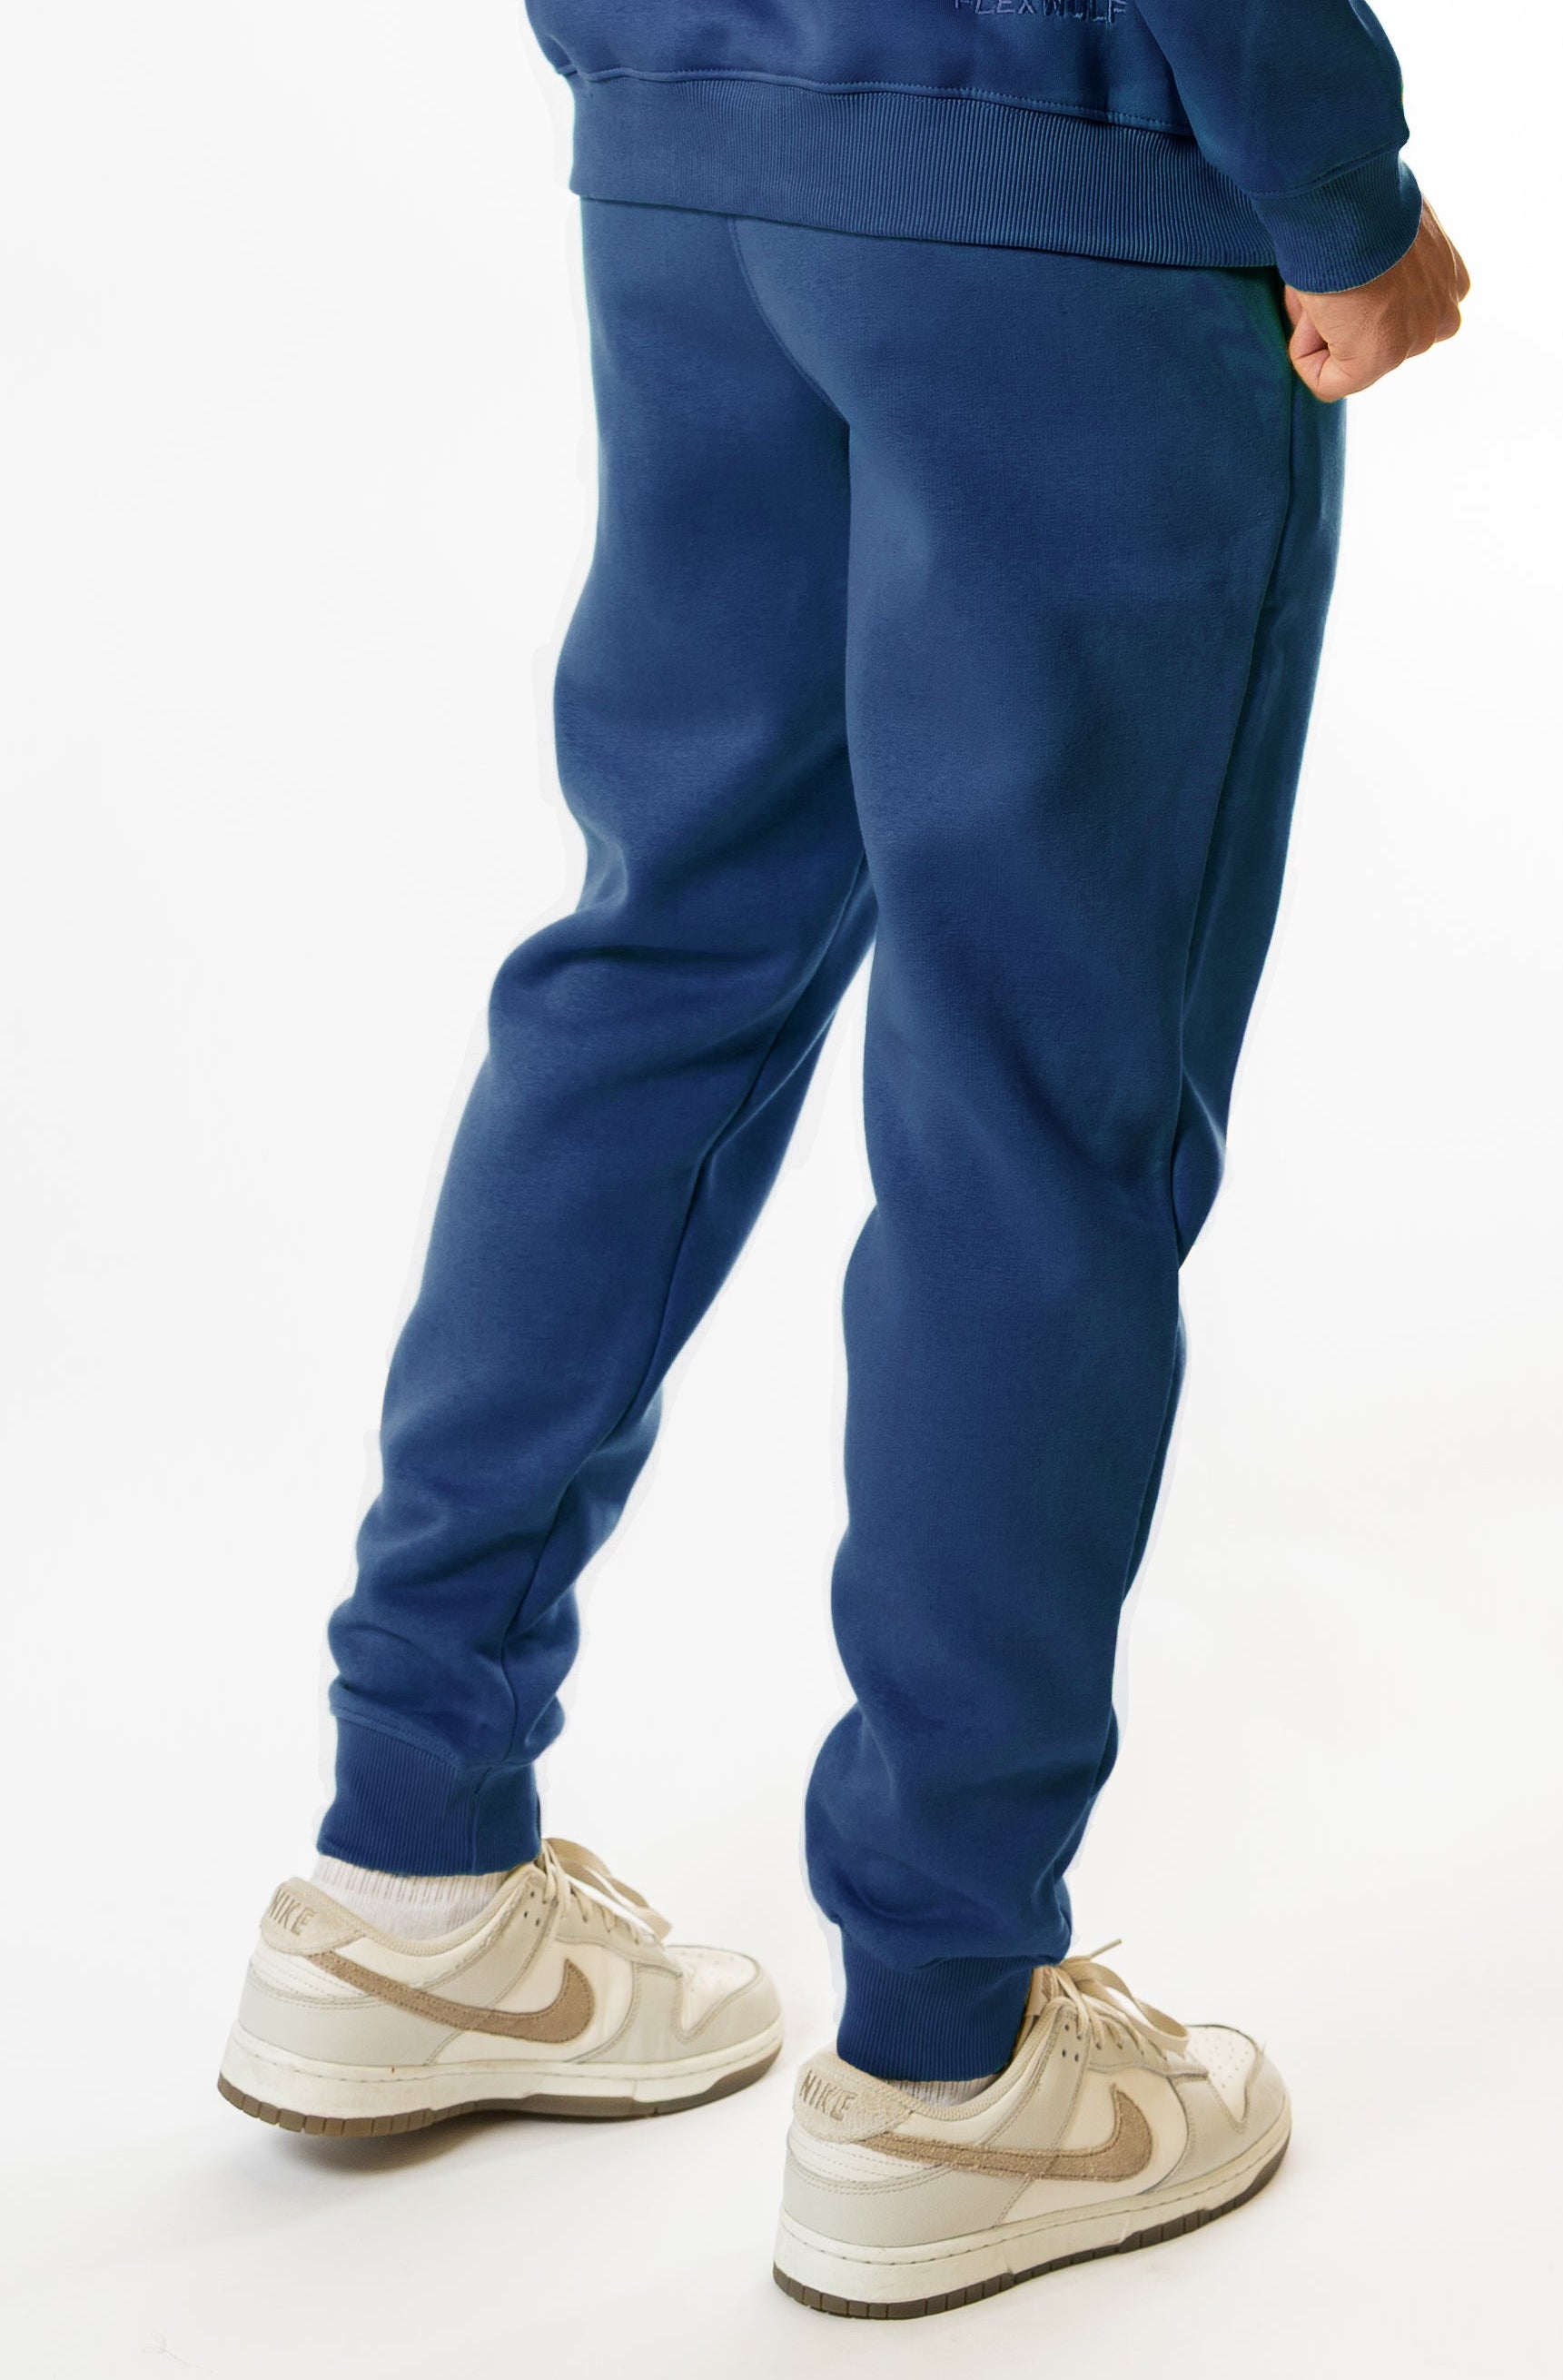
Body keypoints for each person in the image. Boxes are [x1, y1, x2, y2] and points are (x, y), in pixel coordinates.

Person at [219, 1, 1468, 2321]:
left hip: (696, 141)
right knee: (1036, 1097)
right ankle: (949, 2047)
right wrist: (1334, 183)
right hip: (1066, 182)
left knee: (654, 963)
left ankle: (410, 1871)